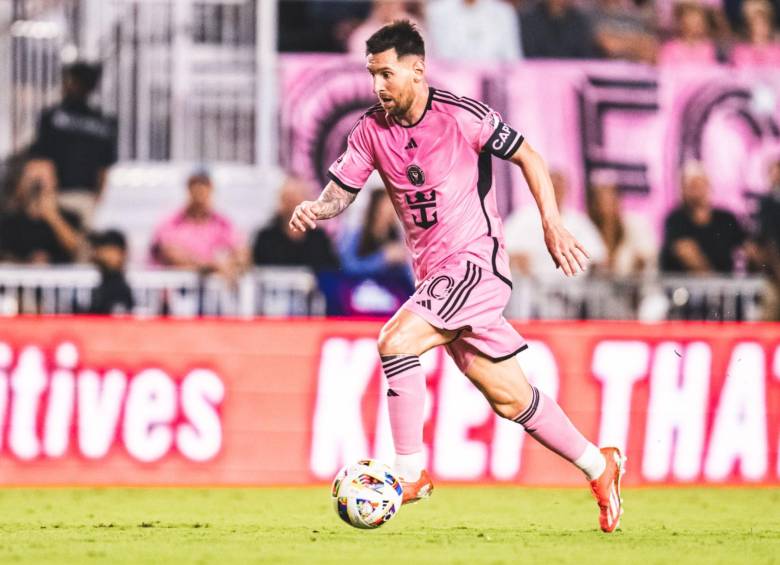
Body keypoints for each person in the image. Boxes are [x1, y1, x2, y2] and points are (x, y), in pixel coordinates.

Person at [289, 21, 625, 533]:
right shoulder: (370, 131)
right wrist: (317, 207)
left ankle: (409, 471)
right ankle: (600, 467)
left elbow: (529, 155)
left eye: (386, 73)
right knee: (508, 395)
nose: (378, 85)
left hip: (474, 263)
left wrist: (551, 222)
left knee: (396, 340)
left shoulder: (460, 115)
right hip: (433, 276)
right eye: (372, 74)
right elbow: (343, 191)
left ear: (417, 69)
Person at [25, 62, 117, 226]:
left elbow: (41, 159)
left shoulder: (53, 117)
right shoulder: (103, 122)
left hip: (70, 195)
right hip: (68, 195)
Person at [503, 170, 606, 277]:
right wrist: (513, 258)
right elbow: (501, 251)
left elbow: (599, 257)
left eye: (559, 187)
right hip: (531, 288)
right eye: (552, 186)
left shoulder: (580, 222)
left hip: (573, 290)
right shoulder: (522, 217)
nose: (556, 191)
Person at [150, 170, 248, 281]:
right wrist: (211, 266)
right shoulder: (172, 221)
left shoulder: (222, 222)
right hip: (176, 292)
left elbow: (241, 252)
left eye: (204, 186)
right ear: (189, 189)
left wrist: (231, 263)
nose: (200, 191)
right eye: (195, 186)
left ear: (211, 189)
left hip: (213, 294)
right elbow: (171, 254)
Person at [660, 161, 747, 274]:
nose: (696, 190)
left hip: (723, 286)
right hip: (684, 286)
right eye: (691, 185)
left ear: (708, 185)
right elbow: (686, 252)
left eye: (699, 184)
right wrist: (714, 283)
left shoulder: (726, 218)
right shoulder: (675, 219)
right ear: (682, 189)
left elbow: (748, 247)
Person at [253, 176, 340, 270]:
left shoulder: (319, 238)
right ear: (280, 202)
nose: (292, 206)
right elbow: (258, 270)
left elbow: (331, 270)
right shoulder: (266, 237)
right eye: (287, 199)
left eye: (295, 199)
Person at [0, 167, 83, 264]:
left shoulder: (70, 217)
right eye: (32, 177)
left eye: (44, 178)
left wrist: (52, 216)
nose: (38, 184)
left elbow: (76, 250)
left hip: (61, 274)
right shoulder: (9, 220)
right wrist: (26, 262)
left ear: (55, 182)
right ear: (20, 184)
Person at [586, 171, 657, 277]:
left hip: (633, 289)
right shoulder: (584, 227)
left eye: (611, 196)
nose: (606, 203)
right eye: (600, 198)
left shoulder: (636, 224)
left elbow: (645, 258)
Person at [339, 188, 410, 279]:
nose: (392, 208)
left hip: (390, 287)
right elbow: (348, 266)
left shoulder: (395, 233)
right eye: (387, 205)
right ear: (376, 209)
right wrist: (382, 259)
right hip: (362, 286)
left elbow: (405, 272)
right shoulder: (358, 233)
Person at [427, 0, 522, 61]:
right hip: (450, 85)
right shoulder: (437, 11)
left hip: (492, 85)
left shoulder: (503, 12)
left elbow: (512, 59)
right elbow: (434, 58)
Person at [520, 0, 598, 59]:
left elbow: (585, 55)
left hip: (572, 76)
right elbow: (529, 53)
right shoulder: (529, 19)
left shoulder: (580, 21)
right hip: (538, 75)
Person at [348, 1, 423, 58]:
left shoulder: (413, 26)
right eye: (384, 5)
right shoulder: (362, 34)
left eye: (393, 5)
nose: (389, 9)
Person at [88, 229, 134, 315]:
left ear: (122, 253)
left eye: (106, 248)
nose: (100, 253)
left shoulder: (120, 289)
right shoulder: (98, 284)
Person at [730, 0, 780, 67]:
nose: (760, 28)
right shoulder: (739, 50)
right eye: (756, 24)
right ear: (748, 26)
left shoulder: (777, 49)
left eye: (764, 23)